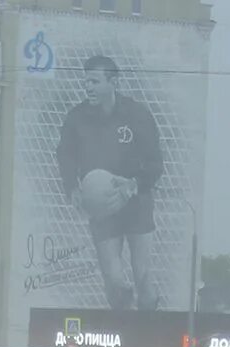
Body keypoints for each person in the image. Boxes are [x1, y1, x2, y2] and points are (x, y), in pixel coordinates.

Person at [55, 54, 163, 310]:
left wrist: (134, 184)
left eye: (94, 81)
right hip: (101, 204)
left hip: (136, 200)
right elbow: (65, 155)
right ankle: (124, 327)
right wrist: (72, 187)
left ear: (112, 82)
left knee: (142, 277)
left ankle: (150, 321)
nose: (88, 87)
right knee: (114, 281)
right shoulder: (76, 118)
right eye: (86, 82)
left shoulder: (137, 115)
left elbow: (156, 163)